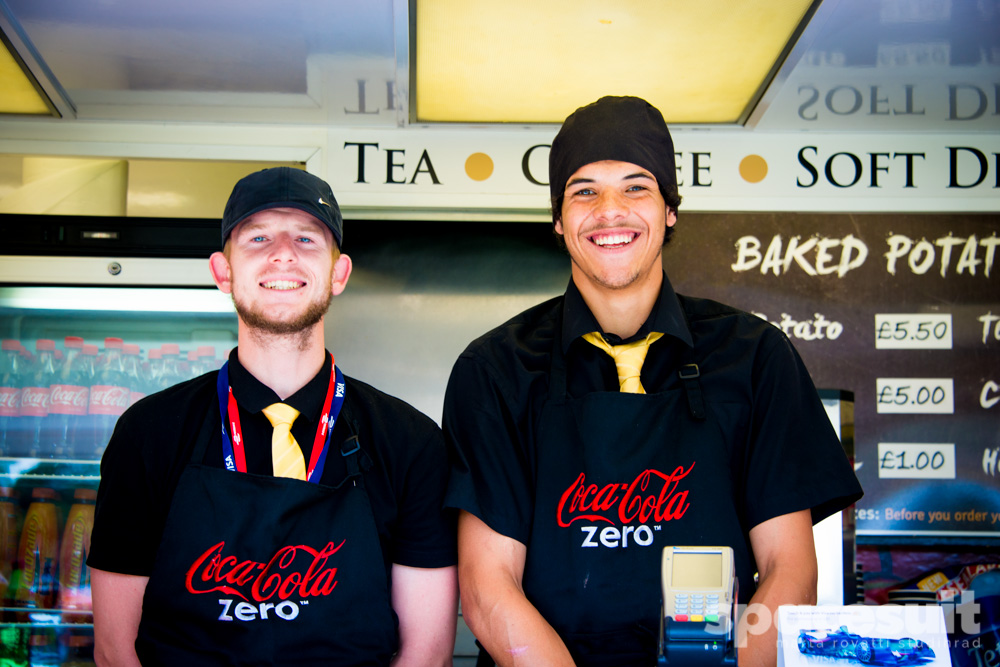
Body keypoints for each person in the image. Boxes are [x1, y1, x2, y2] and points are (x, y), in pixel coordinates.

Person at [443, 96, 863, 667]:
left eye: (636, 187)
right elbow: (486, 586)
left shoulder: (756, 357)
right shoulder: (494, 371)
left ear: (669, 211)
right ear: (558, 219)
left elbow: (790, 573)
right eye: (584, 190)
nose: (609, 210)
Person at [88, 167, 458, 666]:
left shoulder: (410, 441)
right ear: (223, 272)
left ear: (339, 273)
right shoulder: (149, 433)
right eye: (258, 236)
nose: (282, 252)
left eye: (306, 238)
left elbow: (426, 653)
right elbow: (115, 650)